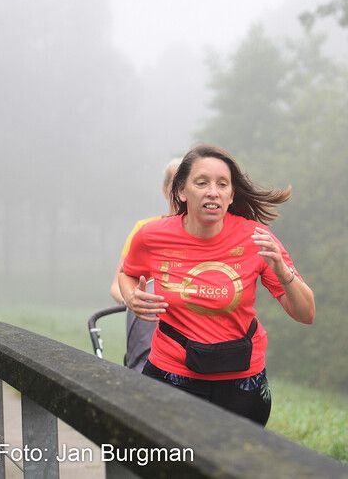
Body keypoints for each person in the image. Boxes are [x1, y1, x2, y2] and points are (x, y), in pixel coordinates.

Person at [119, 144, 315, 426]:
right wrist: (131, 297)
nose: (213, 191)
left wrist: (283, 273)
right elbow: (127, 274)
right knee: (166, 464)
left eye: (222, 184)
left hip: (241, 382)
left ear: (231, 194)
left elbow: (306, 314)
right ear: (181, 192)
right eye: (202, 183)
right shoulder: (151, 237)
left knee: (234, 467)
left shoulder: (257, 238)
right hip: (170, 373)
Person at [109, 157, 181, 372]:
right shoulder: (146, 230)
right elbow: (117, 285)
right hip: (150, 327)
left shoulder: (207, 232)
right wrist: (136, 300)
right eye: (174, 185)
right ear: (165, 189)